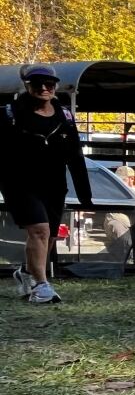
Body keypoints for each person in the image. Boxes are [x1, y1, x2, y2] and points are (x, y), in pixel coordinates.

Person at [1, 65, 94, 304]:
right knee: (40, 230)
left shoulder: (65, 116)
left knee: (50, 235)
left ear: (56, 86)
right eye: (37, 83)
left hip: (54, 185)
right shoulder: (9, 114)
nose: (43, 88)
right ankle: (41, 286)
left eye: (49, 83)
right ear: (27, 86)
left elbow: (75, 156)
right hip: (19, 184)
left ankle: (26, 272)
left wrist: (85, 194)